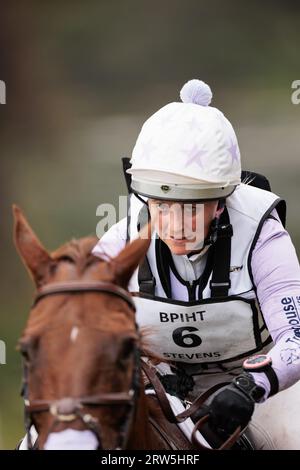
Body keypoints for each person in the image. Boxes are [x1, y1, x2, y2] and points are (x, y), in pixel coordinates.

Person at [93, 79, 300, 449]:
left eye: (190, 208)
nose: (173, 224)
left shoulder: (262, 234)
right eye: (161, 206)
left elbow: (296, 337)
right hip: (161, 386)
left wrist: (253, 386)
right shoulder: (122, 238)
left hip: (256, 387)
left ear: (220, 203)